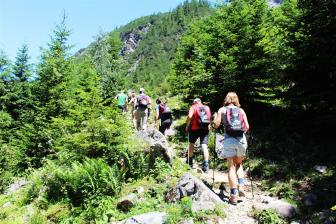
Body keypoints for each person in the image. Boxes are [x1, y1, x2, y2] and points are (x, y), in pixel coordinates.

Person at [214, 92, 249, 205]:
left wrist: (215, 118)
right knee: (239, 164)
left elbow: (216, 125)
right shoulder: (241, 110)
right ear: (236, 99)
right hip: (241, 140)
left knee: (231, 167)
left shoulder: (222, 110)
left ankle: (233, 195)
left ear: (226, 99)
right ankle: (241, 186)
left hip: (228, 140)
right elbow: (247, 127)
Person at [185, 98, 211, 173]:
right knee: (204, 146)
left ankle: (190, 162)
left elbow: (190, 116)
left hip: (194, 128)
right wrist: (208, 127)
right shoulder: (207, 107)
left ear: (194, 102)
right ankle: (206, 164)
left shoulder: (193, 107)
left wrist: (187, 126)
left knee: (191, 144)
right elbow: (209, 118)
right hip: (205, 128)